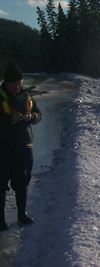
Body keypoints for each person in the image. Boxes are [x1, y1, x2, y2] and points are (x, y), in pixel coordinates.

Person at [0, 62, 42, 231]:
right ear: (6, 83)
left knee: (22, 182)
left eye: (19, 83)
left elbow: (39, 115)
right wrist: (9, 120)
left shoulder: (28, 98)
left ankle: (22, 215)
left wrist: (30, 116)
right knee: (1, 184)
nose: (16, 87)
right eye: (13, 84)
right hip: (3, 149)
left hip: (25, 147)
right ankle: (0, 220)